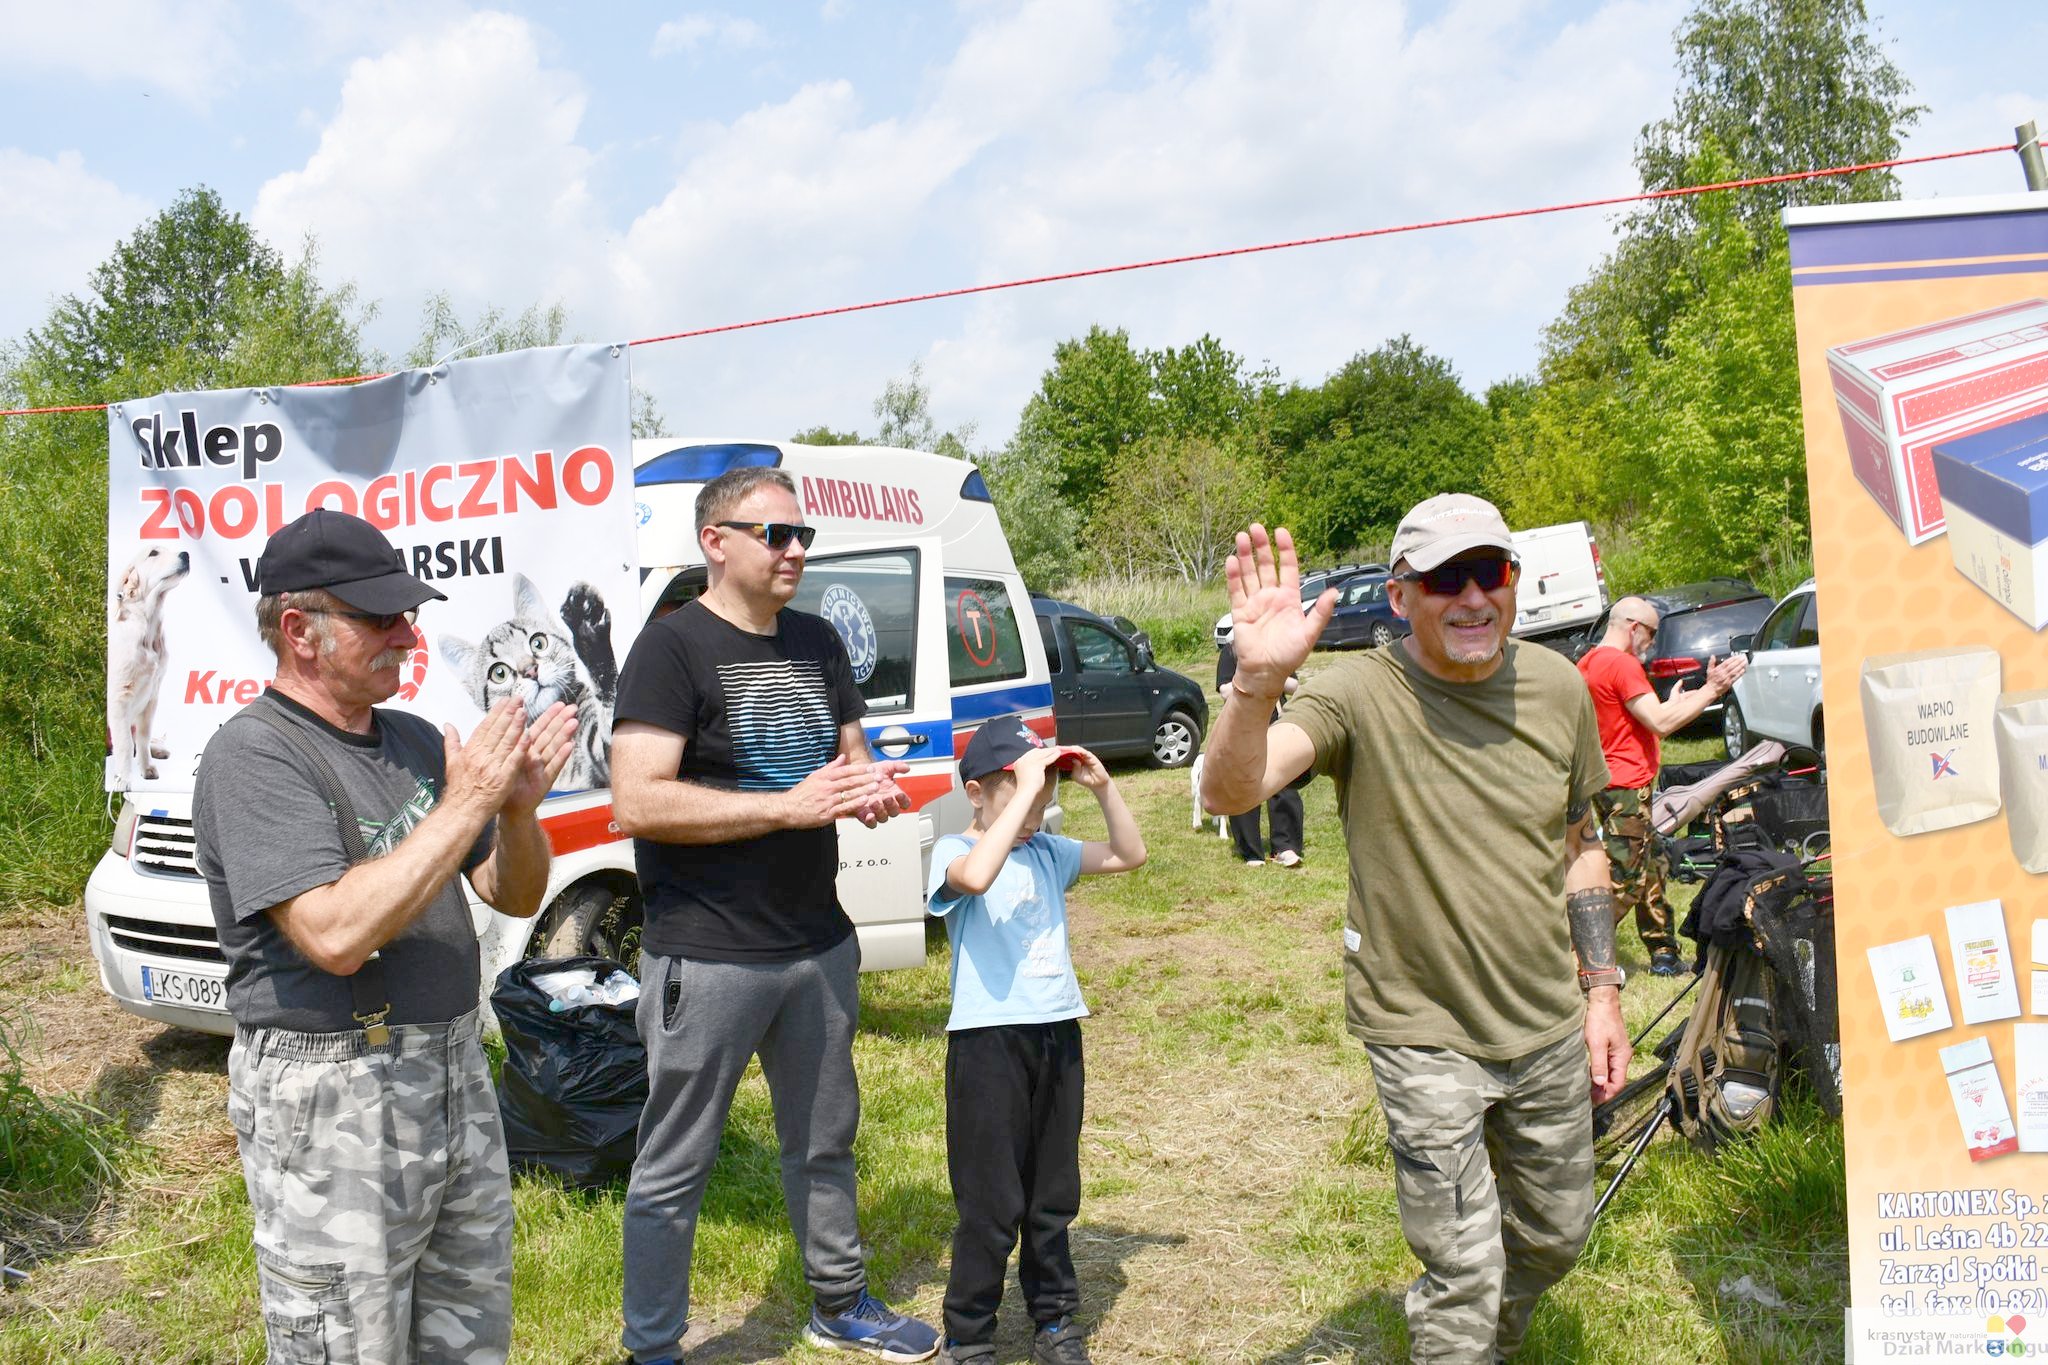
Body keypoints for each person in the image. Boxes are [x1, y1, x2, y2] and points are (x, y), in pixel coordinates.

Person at [1200, 494, 1630, 1363]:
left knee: (1557, 1235)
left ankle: (1485, 1341)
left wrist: (1603, 993)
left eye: (1490, 572)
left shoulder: (1558, 685)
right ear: (1400, 596)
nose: (1472, 596)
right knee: (1463, 1266)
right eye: (1445, 579)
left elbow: (1580, 846)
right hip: (1422, 1031)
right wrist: (1255, 683)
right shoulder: (1358, 691)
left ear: (1514, 582)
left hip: (1546, 1020)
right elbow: (1229, 790)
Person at [193, 509, 576, 1365]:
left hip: (452, 1066)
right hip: (333, 1091)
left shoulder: (412, 741)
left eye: (407, 614)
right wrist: (468, 802)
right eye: (379, 618)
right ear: (300, 630)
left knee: (468, 1333)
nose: (408, 635)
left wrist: (517, 813)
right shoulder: (255, 755)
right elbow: (333, 933)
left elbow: (511, 892)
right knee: (347, 1339)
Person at [609, 467, 937, 1365]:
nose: (796, 550)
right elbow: (637, 799)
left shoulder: (818, 639)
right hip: (707, 954)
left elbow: (848, 759)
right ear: (715, 542)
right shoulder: (670, 649)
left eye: (803, 536)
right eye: (776, 534)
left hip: (816, 944)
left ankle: (840, 1302)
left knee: (825, 1142)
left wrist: (869, 789)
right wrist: (785, 806)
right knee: (674, 1164)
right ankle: (653, 1348)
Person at [926, 722, 1147, 1365]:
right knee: (991, 1200)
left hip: (1057, 1031)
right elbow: (975, 878)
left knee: (1052, 1194)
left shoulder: (1047, 852)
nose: (1034, 816)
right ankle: (969, 1334)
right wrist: (1024, 793)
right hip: (988, 1044)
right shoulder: (953, 850)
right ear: (976, 793)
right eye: (1020, 799)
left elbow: (1130, 854)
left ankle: (1053, 1319)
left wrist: (1102, 789)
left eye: (1045, 800)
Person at [1577, 598, 1747, 975]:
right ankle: (1578, 953)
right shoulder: (1621, 664)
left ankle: (1663, 953)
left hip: (1610, 782)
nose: (1652, 643)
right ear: (1634, 627)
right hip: (1625, 787)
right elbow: (1661, 723)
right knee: (1627, 878)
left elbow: (1643, 716)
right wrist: (1712, 689)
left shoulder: (1589, 662)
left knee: (1653, 864)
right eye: (1652, 634)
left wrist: (1685, 700)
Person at [1214, 639, 1304, 867]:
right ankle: (1251, 851)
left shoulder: (1278, 651)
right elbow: (1224, 691)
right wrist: (1249, 679)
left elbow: (1294, 686)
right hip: (1242, 725)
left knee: (1283, 783)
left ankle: (1285, 847)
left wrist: (1273, 676)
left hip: (1276, 722)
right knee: (1244, 783)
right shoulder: (1232, 650)